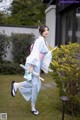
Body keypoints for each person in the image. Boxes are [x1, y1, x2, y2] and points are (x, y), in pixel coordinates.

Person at [11, 25, 53, 116]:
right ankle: (33, 107)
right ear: (41, 31)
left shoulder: (43, 41)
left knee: (35, 85)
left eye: (47, 30)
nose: (46, 32)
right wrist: (32, 66)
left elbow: (45, 53)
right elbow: (35, 53)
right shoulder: (40, 40)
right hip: (34, 65)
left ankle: (16, 85)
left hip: (36, 65)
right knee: (35, 85)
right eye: (44, 30)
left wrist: (50, 52)